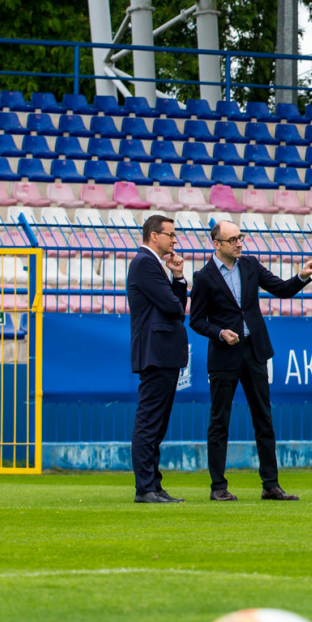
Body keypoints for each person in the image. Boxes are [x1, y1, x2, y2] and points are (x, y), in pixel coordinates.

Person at [188, 219, 312, 501]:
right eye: (233, 239)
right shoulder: (203, 277)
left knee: (264, 419)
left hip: (255, 352)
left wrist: (302, 276)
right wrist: (220, 333)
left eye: (240, 237)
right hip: (224, 355)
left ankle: (271, 485)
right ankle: (218, 487)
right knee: (219, 421)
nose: (239, 243)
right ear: (217, 244)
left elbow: (281, 289)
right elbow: (196, 321)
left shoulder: (250, 265)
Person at [127, 214, 189, 504]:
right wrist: (175, 289)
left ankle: (153, 484)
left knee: (157, 422)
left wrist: (177, 277)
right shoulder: (144, 264)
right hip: (155, 353)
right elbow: (174, 307)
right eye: (170, 234)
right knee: (150, 421)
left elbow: (175, 305)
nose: (174, 240)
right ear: (154, 235)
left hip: (162, 353)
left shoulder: (152, 265)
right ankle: (145, 487)